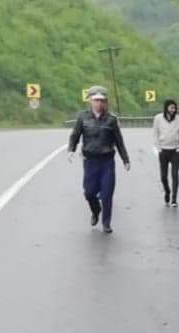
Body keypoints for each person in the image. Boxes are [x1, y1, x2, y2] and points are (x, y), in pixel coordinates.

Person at [68, 85, 130, 234]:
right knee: (89, 193)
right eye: (96, 100)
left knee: (107, 193)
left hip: (107, 161)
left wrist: (125, 159)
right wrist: (71, 149)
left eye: (102, 100)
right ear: (90, 101)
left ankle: (106, 223)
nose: (99, 103)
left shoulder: (111, 119)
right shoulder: (83, 117)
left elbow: (119, 141)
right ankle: (96, 210)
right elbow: (75, 135)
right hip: (90, 161)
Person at [152, 99, 179, 207]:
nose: (173, 110)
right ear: (166, 108)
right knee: (163, 177)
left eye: (174, 108)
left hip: (175, 151)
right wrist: (158, 148)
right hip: (163, 150)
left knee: (175, 175)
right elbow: (155, 133)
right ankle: (167, 191)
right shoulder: (158, 118)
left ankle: (174, 199)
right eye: (171, 108)